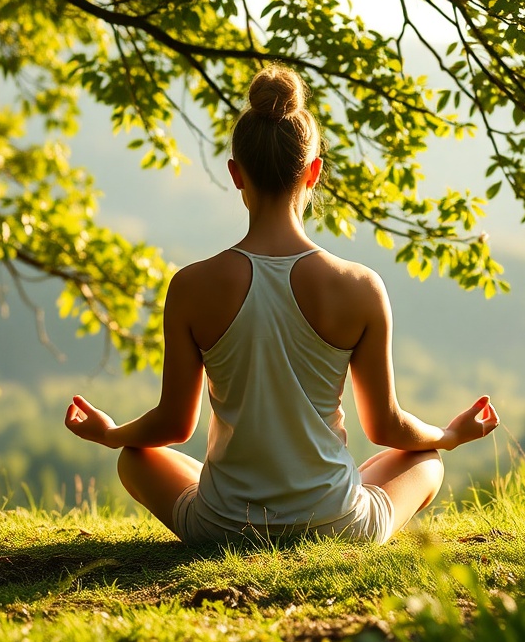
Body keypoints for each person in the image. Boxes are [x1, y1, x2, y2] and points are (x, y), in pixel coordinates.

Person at [64, 64, 500, 545]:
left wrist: (110, 432)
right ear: (314, 173)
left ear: (235, 174)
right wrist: (450, 434)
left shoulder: (191, 286)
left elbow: (173, 424)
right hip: (336, 527)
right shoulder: (361, 286)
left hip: (222, 529)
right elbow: (387, 427)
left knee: (134, 456)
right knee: (424, 460)